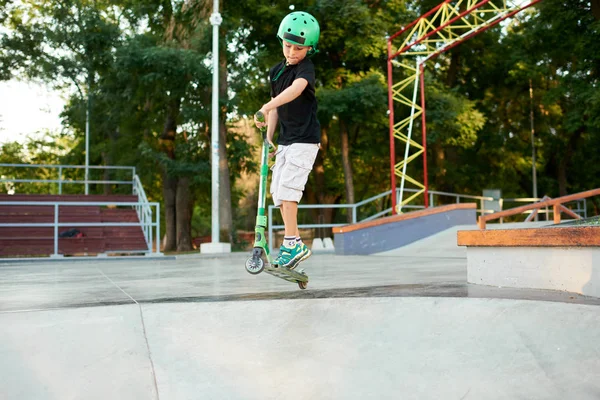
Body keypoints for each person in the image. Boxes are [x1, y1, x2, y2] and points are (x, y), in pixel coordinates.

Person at [254, 11, 321, 270]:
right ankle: (292, 245)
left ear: (309, 48)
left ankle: (293, 244)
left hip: (304, 140)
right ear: (281, 40)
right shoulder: (275, 72)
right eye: (288, 45)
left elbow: (296, 90)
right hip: (285, 141)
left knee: (289, 190)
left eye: (299, 47)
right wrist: (269, 139)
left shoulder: (305, 68)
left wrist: (267, 105)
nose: (292, 52)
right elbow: (276, 110)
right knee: (278, 194)